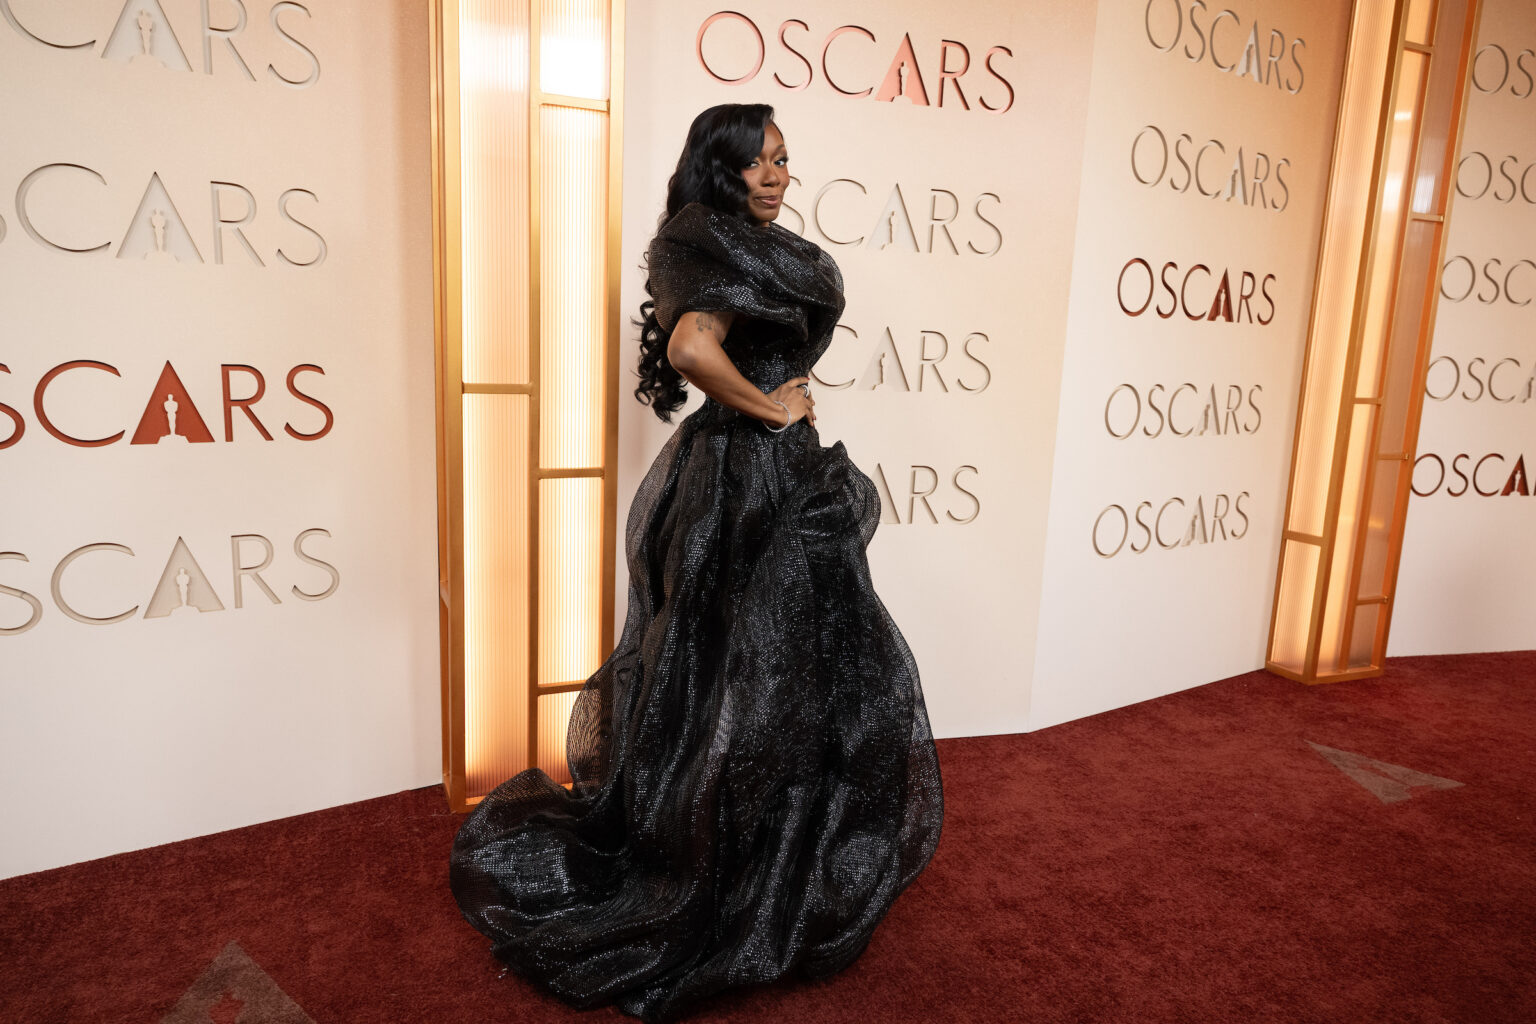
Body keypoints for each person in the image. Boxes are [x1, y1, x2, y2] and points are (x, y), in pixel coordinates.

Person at [449, 102, 944, 1022]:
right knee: (743, 663)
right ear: (719, 168)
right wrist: (769, 409)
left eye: (785, 161)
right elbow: (688, 347)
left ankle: (753, 849)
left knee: (762, 662)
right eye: (757, 163)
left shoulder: (726, 241)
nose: (776, 177)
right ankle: (720, 866)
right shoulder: (707, 241)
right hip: (744, 480)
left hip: (755, 472)